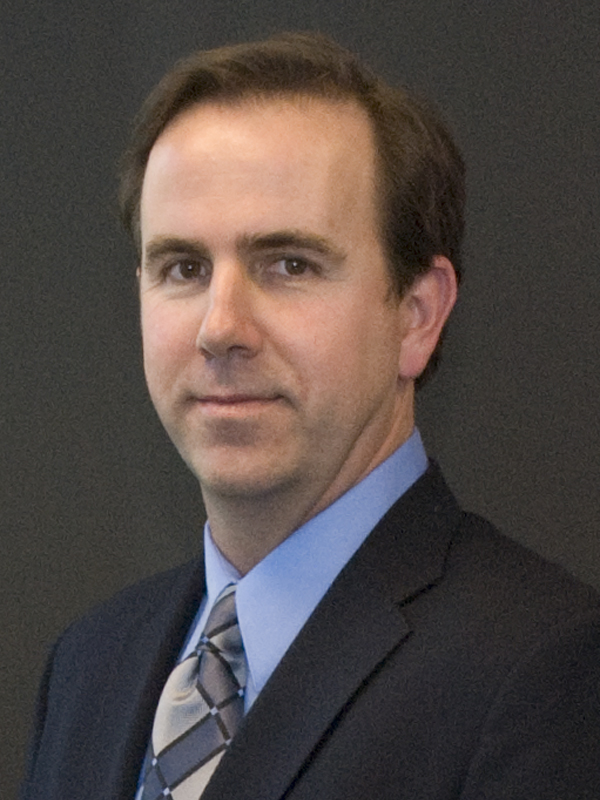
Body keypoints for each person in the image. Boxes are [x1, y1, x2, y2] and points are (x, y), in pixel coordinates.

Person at [21, 32, 600, 800]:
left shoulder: (544, 675)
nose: (220, 327)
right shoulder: (89, 666)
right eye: (183, 268)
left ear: (417, 316)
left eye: (289, 264)